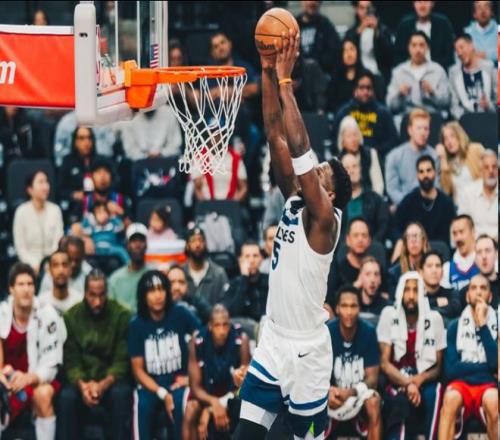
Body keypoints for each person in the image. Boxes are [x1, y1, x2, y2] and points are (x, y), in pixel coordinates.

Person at [236, 31, 351, 440]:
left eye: (321, 175)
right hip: (273, 340)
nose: (313, 172)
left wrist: (286, 81)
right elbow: (276, 134)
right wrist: (267, 70)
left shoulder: (326, 221)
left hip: (307, 353)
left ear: (330, 195)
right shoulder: (294, 199)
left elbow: (301, 149)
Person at [58, 269, 132, 439]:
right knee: (66, 398)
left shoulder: (122, 315)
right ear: (85, 293)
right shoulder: (71, 317)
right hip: (82, 380)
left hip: (111, 380)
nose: (97, 302)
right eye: (92, 295)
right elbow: (71, 360)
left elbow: (121, 361)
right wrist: (84, 386)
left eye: (101, 295)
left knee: (120, 395)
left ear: (107, 293)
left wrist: (103, 385)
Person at [128, 270, 201, 440]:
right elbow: (138, 371)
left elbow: (202, 342)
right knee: (141, 405)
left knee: (183, 404)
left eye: (161, 289)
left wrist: (191, 378)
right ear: (143, 296)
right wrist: (162, 393)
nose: (158, 295)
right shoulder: (136, 324)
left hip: (178, 381)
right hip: (151, 385)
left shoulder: (181, 314)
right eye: (152, 291)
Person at [0, 263, 66, 440]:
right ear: (11, 289)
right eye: (21, 284)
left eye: (30, 284)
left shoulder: (48, 315)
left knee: (43, 394)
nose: (26, 289)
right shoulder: (1, 314)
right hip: (9, 379)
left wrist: (29, 378)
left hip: (38, 377)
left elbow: (52, 363)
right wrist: (3, 377)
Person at [377, 272, 446, 440]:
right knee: (400, 403)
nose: (411, 296)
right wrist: (408, 384)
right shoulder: (389, 315)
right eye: (407, 290)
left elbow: (438, 367)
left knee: (436, 392)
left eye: (415, 290)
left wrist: (418, 380)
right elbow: (384, 363)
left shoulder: (435, 319)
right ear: (400, 292)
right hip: (396, 379)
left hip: (424, 379)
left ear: (422, 294)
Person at [438, 274, 498, 440]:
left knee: (494, 401)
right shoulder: (454, 326)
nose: (478, 292)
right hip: (462, 384)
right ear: (467, 296)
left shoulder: (498, 323)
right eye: (473, 288)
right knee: (450, 399)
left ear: (490, 296)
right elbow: (451, 370)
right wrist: (486, 370)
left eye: (483, 288)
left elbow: (495, 363)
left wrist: (483, 326)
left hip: (487, 386)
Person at [185, 305, 250, 440]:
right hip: (206, 395)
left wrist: (213, 408)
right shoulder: (197, 342)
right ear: (210, 326)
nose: (222, 331)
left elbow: (245, 384)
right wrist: (213, 403)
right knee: (190, 410)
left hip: (232, 396)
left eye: (225, 325)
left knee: (246, 408)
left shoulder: (241, 339)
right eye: (217, 325)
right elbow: (195, 388)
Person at [326, 285, 381, 439]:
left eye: (353, 306)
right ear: (337, 309)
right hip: (332, 394)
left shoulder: (368, 332)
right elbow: (316, 375)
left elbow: (373, 379)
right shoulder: (327, 332)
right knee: (309, 402)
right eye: (344, 306)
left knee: (374, 401)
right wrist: (328, 392)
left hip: (359, 394)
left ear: (359, 308)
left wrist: (351, 392)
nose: (349, 312)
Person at [333, 71, 399, 159]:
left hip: (376, 159)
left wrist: (372, 153)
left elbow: (392, 142)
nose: (365, 92)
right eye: (361, 88)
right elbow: (335, 141)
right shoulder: (344, 112)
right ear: (355, 90)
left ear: (373, 90)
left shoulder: (384, 113)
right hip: (349, 159)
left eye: (369, 88)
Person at [387, 31, 450, 122]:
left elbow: (446, 103)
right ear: (408, 48)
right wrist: (399, 95)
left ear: (427, 48)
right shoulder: (399, 72)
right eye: (414, 45)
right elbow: (390, 106)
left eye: (421, 45)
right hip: (407, 116)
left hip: (431, 115)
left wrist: (432, 93)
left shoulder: (438, 70)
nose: (418, 49)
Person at [385, 108, 440, 208]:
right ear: (410, 130)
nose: (423, 133)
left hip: (430, 206)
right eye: (419, 128)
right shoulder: (394, 156)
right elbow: (392, 190)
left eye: (426, 129)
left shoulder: (434, 155)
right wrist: (410, 205)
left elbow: (436, 186)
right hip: (405, 206)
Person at [395, 155, 456, 244]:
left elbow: (451, 236)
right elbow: (396, 229)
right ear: (417, 175)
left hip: (439, 249)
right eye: (421, 172)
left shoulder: (447, 204)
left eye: (428, 170)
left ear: (435, 172)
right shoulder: (408, 202)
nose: (425, 175)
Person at [13, 170, 64, 274]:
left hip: (52, 264)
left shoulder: (55, 210)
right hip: (28, 265)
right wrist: (34, 264)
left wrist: (50, 263)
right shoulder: (21, 212)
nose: (46, 187)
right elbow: (20, 247)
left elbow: (58, 241)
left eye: (46, 182)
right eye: (41, 182)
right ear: (30, 190)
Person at [223, 241, 268, 339]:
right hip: (243, 335)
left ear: (261, 259)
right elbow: (232, 314)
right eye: (247, 256)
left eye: (255, 256)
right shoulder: (234, 284)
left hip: (267, 332)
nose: (251, 260)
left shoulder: (269, 281)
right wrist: (244, 279)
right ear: (240, 260)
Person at [340, 154, 389, 242]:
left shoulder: (376, 200)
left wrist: (372, 244)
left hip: (372, 247)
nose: (351, 171)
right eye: (347, 168)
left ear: (360, 169)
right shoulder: (336, 202)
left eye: (354, 166)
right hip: (343, 248)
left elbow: (384, 227)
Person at [394, 0, 455, 69]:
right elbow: (398, 55)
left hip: (437, 71)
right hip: (409, 71)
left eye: (426, 1)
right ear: (414, 3)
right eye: (419, 1)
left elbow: (449, 56)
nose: (422, 5)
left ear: (432, 3)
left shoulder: (443, 24)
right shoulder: (404, 25)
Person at [449, 33, 497, 120]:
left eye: (461, 48)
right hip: (466, 120)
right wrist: (464, 119)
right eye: (456, 50)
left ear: (471, 46)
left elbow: (497, 98)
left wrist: (489, 106)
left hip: (489, 118)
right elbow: (454, 105)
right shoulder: (453, 73)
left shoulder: (489, 68)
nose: (459, 53)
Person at [109, 223, 155, 313]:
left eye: (141, 241)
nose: (138, 245)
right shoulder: (115, 279)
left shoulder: (154, 274)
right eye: (133, 241)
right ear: (127, 245)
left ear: (146, 245)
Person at [435, 121, 484, 203]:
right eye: (445, 139)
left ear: (459, 135)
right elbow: (447, 190)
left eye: (452, 136)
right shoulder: (447, 162)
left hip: (480, 203)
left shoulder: (475, 149)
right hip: (461, 206)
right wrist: (443, 159)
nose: (449, 141)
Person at [345, 1, 394, 82]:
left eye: (368, 8)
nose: (365, 12)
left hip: (379, 75)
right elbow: (345, 53)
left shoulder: (383, 30)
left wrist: (377, 32)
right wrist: (358, 33)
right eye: (362, 8)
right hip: (357, 75)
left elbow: (390, 56)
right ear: (356, 9)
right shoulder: (352, 32)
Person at [70, 157, 128, 225]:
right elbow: (73, 225)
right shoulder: (85, 201)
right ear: (91, 177)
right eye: (98, 172)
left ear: (112, 177)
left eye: (106, 172)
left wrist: (121, 213)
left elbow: (132, 227)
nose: (102, 177)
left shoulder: (119, 199)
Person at [182, 226, 229, 308]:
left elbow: (226, 302)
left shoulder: (218, 273)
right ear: (187, 246)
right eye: (193, 241)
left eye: (201, 240)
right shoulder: (181, 272)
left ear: (206, 244)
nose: (197, 244)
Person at [336, 116, 384, 195]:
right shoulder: (338, 161)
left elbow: (378, 185)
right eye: (349, 136)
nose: (353, 139)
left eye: (355, 134)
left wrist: (374, 200)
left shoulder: (371, 154)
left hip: (371, 198)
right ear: (342, 140)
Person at [58, 127, 104, 209]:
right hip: (76, 206)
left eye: (89, 138)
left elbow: (113, 184)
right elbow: (60, 190)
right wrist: (74, 194)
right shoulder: (68, 161)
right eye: (82, 138)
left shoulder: (101, 161)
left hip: (100, 205)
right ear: (75, 142)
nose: (86, 142)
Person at [328, 218, 372, 301]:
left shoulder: (376, 269)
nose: (360, 239)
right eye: (356, 235)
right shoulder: (338, 270)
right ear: (348, 240)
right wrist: (355, 286)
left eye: (364, 235)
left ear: (369, 240)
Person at [458, 150, 498, 240]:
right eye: (486, 167)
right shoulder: (468, 192)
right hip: (475, 243)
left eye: (494, 167)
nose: (491, 171)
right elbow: (463, 224)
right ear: (481, 171)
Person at [118, 104, 183, 160]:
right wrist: (145, 156)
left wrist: (161, 153)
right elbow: (129, 149)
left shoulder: (168, 112)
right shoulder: (129, 116)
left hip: (166, 159)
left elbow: (175, 145)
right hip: (139, 162)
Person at [295, 0, 341, 75]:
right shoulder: (294, 24)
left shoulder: (326, 25)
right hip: (298, 74)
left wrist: (316, 63)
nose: (312, 2)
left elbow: (335, 52)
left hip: (321, 73)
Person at [326, 38, 369, 112]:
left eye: (352, 49)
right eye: (345, 51)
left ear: (357, 52)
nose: (349, 54)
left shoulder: (366, 76)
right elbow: (331, 103)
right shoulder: (336, 77)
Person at [389, 222, 430, 298]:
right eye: (409, 236)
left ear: (424, 240)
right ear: (405, 242)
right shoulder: (395, 272)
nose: (413, 240)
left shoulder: (432, 267)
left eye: (416, 236)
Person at [420, 251, 461, 324]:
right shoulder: (417, 295)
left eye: (438, 266)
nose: (434, 270)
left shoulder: (452, 293)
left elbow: (455, 310)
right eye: (429, 266)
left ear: (442, 272)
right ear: (421, 272)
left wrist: (427, 306)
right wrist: (436, 302)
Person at [459, 234, 498, 309]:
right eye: (479, 252)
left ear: (496, 254)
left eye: (488, 251)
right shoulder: (467, 291)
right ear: (475, 259)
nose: (484, 256)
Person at [441, 215, 479, 291]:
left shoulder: (486, 263)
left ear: (473, 232)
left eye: (461, 232)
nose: (458, 238)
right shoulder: (446, 269)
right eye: (454, 233)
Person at [38, 251, 82, 315]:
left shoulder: (79, 302)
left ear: (70, 269)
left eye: (65, 265)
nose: (61, 270)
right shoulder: (41, 302)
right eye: (55, 265)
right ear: (49, 270)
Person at [464, 0, 498, 65]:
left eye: (486, 6)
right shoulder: (466, 32)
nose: (483, 11)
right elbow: (460, 56)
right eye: (479, 7)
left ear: (491, 12)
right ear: (474, 14)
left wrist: (486, 55)